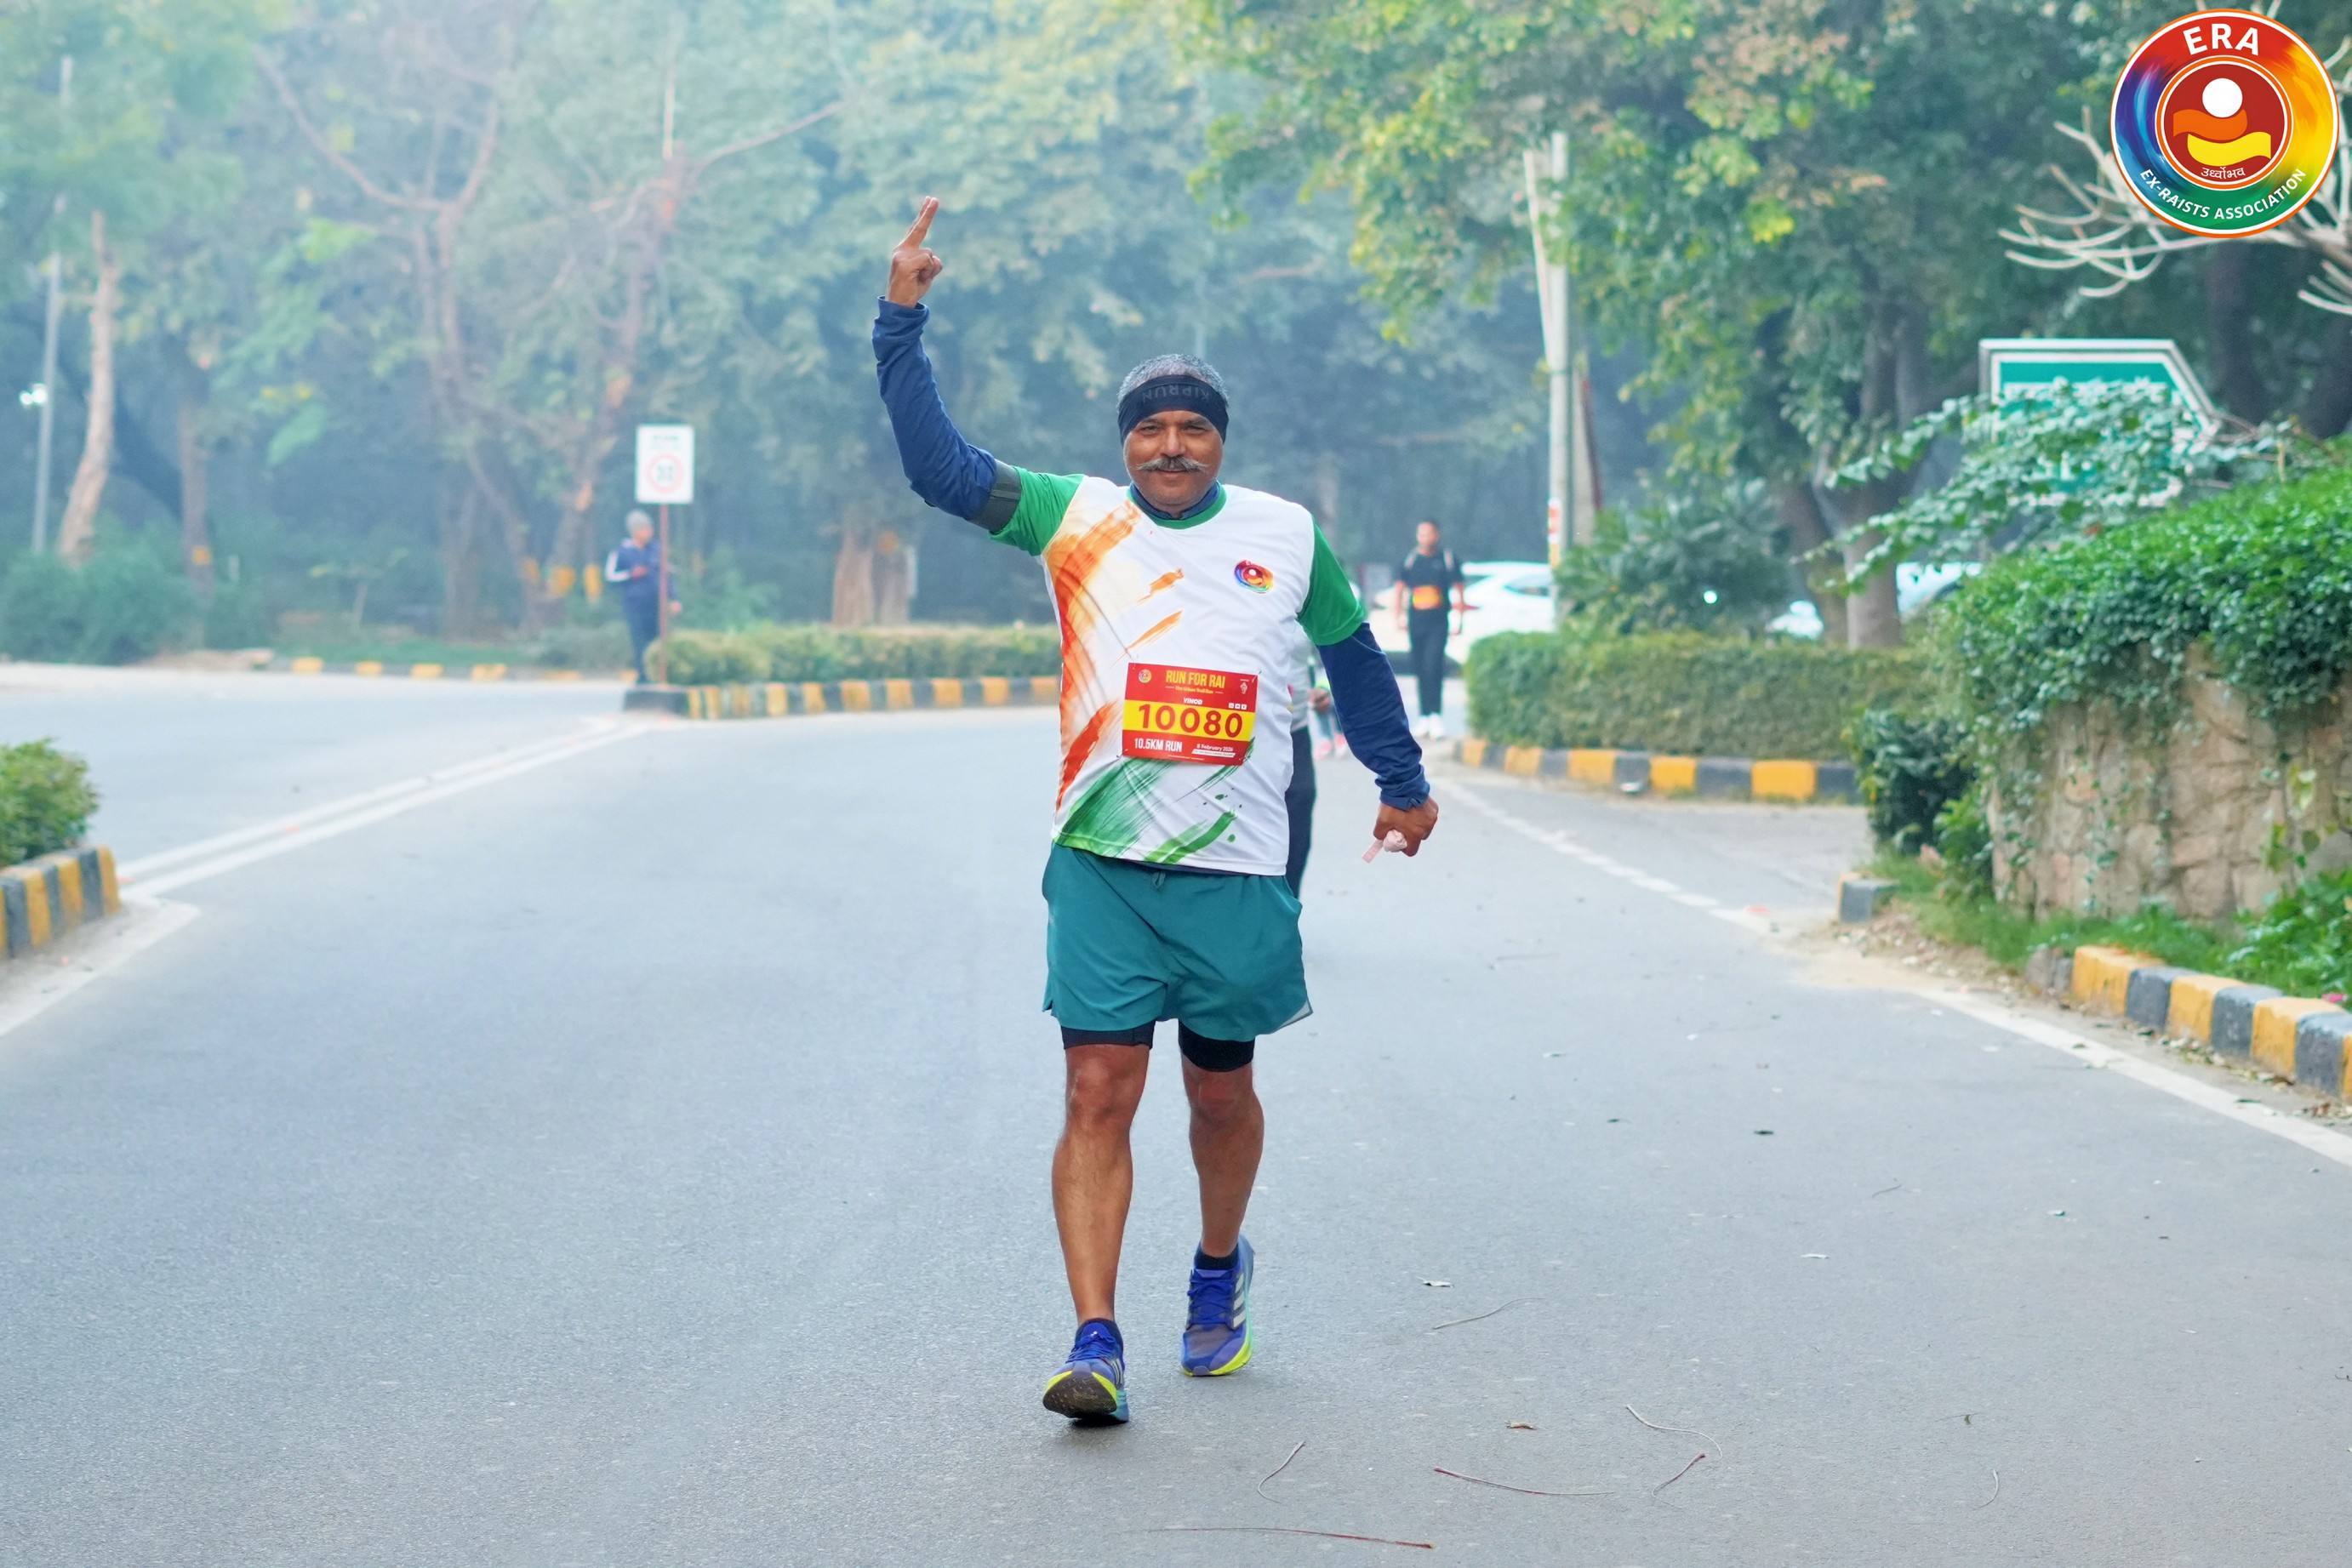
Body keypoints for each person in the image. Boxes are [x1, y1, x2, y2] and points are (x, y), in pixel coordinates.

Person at [873, 197, 1437, 1426]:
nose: (1171, 447)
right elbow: (939, 470)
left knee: (1219, 1092)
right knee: (1096, 1088)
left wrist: (1401, 781)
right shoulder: (1074, 517)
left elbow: (1351, 654)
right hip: (1103, 860)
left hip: (1238, 863)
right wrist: (900, 322)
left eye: (1192, 429)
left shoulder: (1285, 534)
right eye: (1151, 429)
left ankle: (1219, 1267)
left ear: (1219, 442)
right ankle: (1095, 1340)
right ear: (1125, 443)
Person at [1392, 521, 1465, 738]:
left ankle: (1436, 716)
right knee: (1420, 668)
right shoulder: (1411, 560)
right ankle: (1424, 716)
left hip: (1438, 623)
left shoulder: (1447, 560)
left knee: (1434, 666)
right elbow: (1400, 589)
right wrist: (1399, 617)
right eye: (1422, 533)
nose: (1426, 537)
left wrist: (1459, 620)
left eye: (1429, 533)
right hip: (1416, 623)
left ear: (1437, 535)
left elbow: (1459, 589)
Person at [605, 510, 667, 681]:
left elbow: (667, 575)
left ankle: (658, 675)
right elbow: (610, 577)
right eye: (645, 529)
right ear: (635, 531)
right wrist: (631, 575)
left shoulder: (656, 550)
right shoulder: (621, 552)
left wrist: (673, 598)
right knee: (640, 641)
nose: (650, 532)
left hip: (656, 603)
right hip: (635, 605)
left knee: (658, 640)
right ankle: (643, 675)